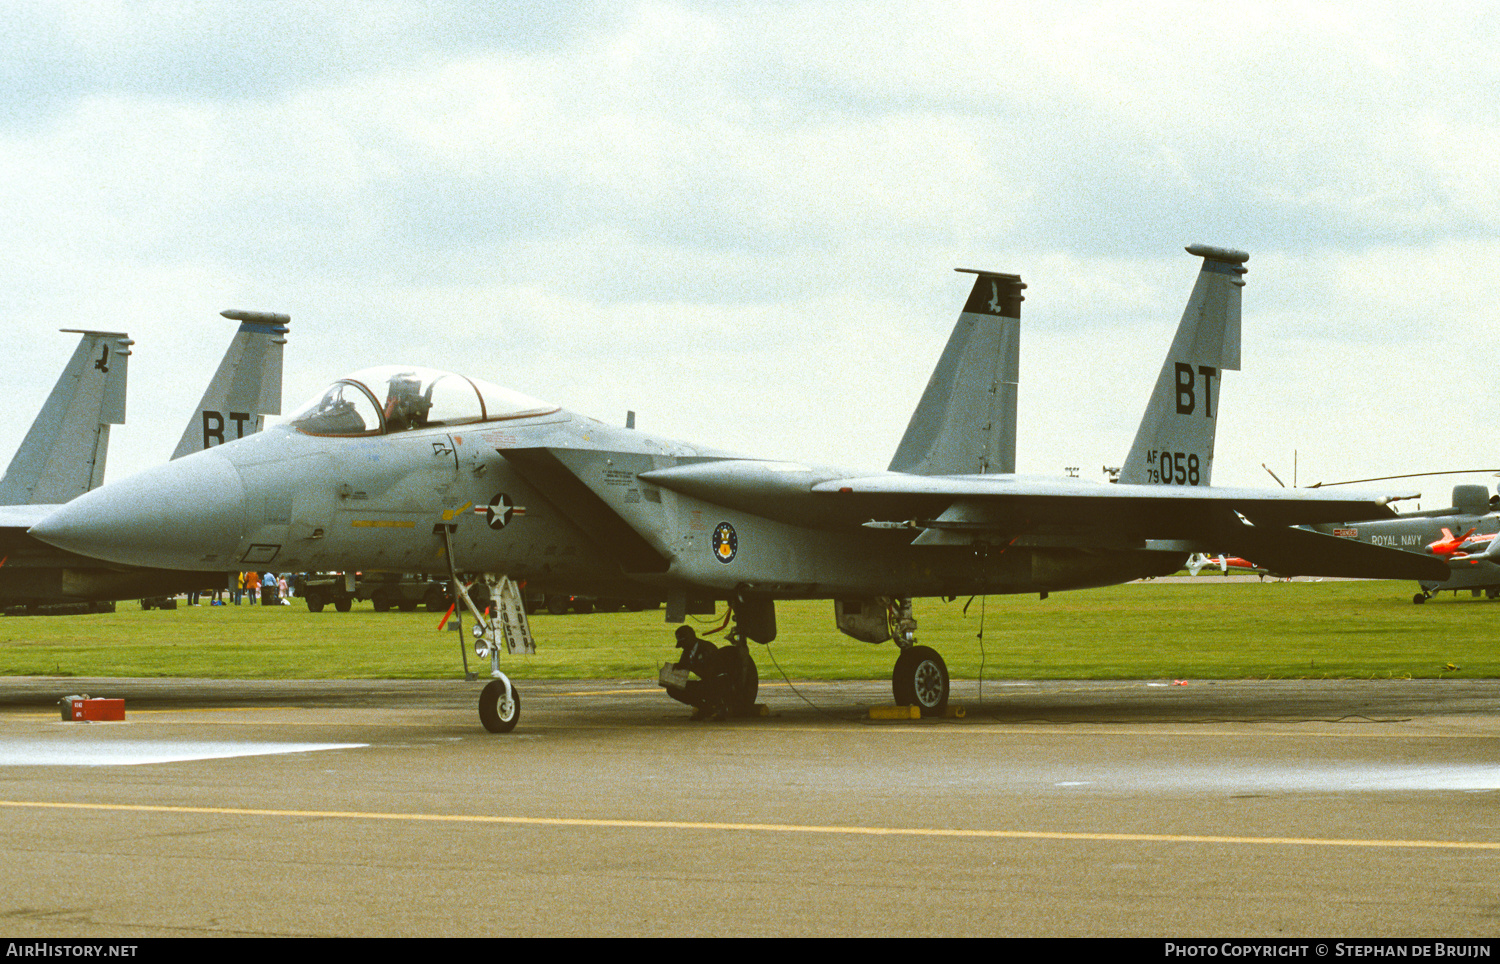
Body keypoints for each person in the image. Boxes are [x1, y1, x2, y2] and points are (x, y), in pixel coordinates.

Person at [666, 625, 731, 720]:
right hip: (706, 681)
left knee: (707, 686)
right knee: (673, 689)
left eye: (684, 642)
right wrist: (674, 672)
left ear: (690, 639)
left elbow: (709, 673)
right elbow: (684, 666)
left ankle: (718, 707)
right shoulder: (687, 651)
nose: (683, 647)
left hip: (719, 681)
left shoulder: (707, 648)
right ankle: (704, 707)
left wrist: (690, 667)